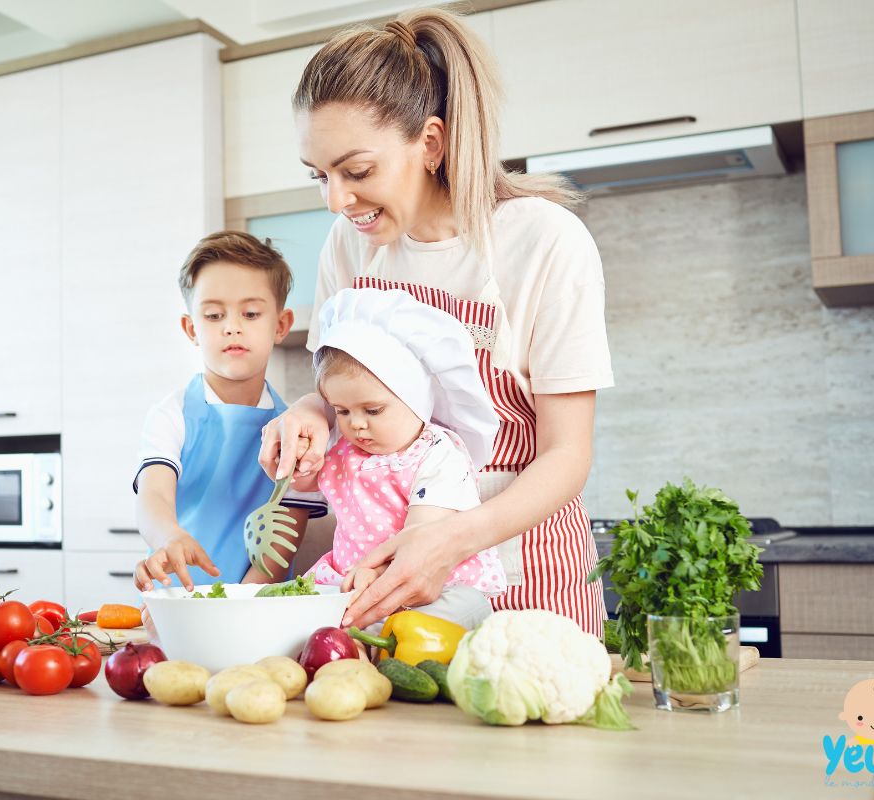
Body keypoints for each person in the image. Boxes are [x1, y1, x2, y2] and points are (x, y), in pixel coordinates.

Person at [260, 8, 613, 636]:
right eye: (320, 176)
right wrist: (311, 413)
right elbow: (335, 383)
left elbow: (567, 455)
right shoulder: (349, 245)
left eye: (357, 171)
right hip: (383, 579)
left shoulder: (543, 242)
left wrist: (451, 541)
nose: (337, 201)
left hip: (522, 570)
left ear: (431, 142)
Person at [133, 232, 326, 594]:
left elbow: (283, 542)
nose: (232, 326)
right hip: (176, 601)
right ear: (192, 329)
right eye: (213, 314)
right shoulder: (171, 414)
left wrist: (238, 604)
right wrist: (169, 535)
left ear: (281, 325)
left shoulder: (298, 433)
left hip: (255, 604)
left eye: (250, 313)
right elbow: (153, 497)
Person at [303, 288, 504, 629]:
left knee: (434, 619)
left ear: (416, 399)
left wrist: (378, 576)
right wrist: (300, 463)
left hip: (435, 585)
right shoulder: (347, 453)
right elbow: (308, 483)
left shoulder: (438, 454)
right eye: (342, 411)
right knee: (299, 612)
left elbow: (422, 532)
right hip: (356, 582)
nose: (356, 423)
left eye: (373, 409)